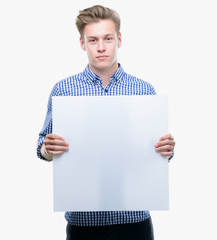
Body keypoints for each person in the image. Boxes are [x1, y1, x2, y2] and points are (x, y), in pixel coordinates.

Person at [37, 5, 175, 240]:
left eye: (107, 38)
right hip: (83, 223)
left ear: (118, 39)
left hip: (134, 221)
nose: (101, 47)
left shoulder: (143, 90)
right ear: (82, 43)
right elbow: (42, 146)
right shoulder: (63, 90)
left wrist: (167, 149)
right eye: (93, 40)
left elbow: (159, 154)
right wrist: (48, 149)